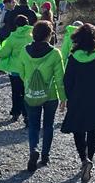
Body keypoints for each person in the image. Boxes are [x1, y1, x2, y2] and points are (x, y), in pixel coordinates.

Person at [60, 23, 95, 183]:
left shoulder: (73, 58)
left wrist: (70, 97)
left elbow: (67, 81)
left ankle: (84, 160)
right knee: (93, 130)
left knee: (78, 130)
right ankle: (90, 158)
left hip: (78, 101)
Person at [15, 20, 66, 172]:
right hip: (50, 96)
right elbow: (60, 79)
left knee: (33, 126)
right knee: (48, 125)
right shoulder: (55, 54)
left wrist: (29, 85)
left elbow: (21, 73)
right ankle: (45, 156)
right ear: (49, 36)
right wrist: (63, 98)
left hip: (31, 95)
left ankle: (33, 150)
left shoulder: (24, 51)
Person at [0, 14, 33, 122]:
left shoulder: (12, 38)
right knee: (27, 92)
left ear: (16, 25)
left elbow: (3, 53)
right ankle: (27, 115)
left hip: (15, 70)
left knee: (16, 92)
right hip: (28, 69)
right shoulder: (32, 36)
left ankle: (16, 113)